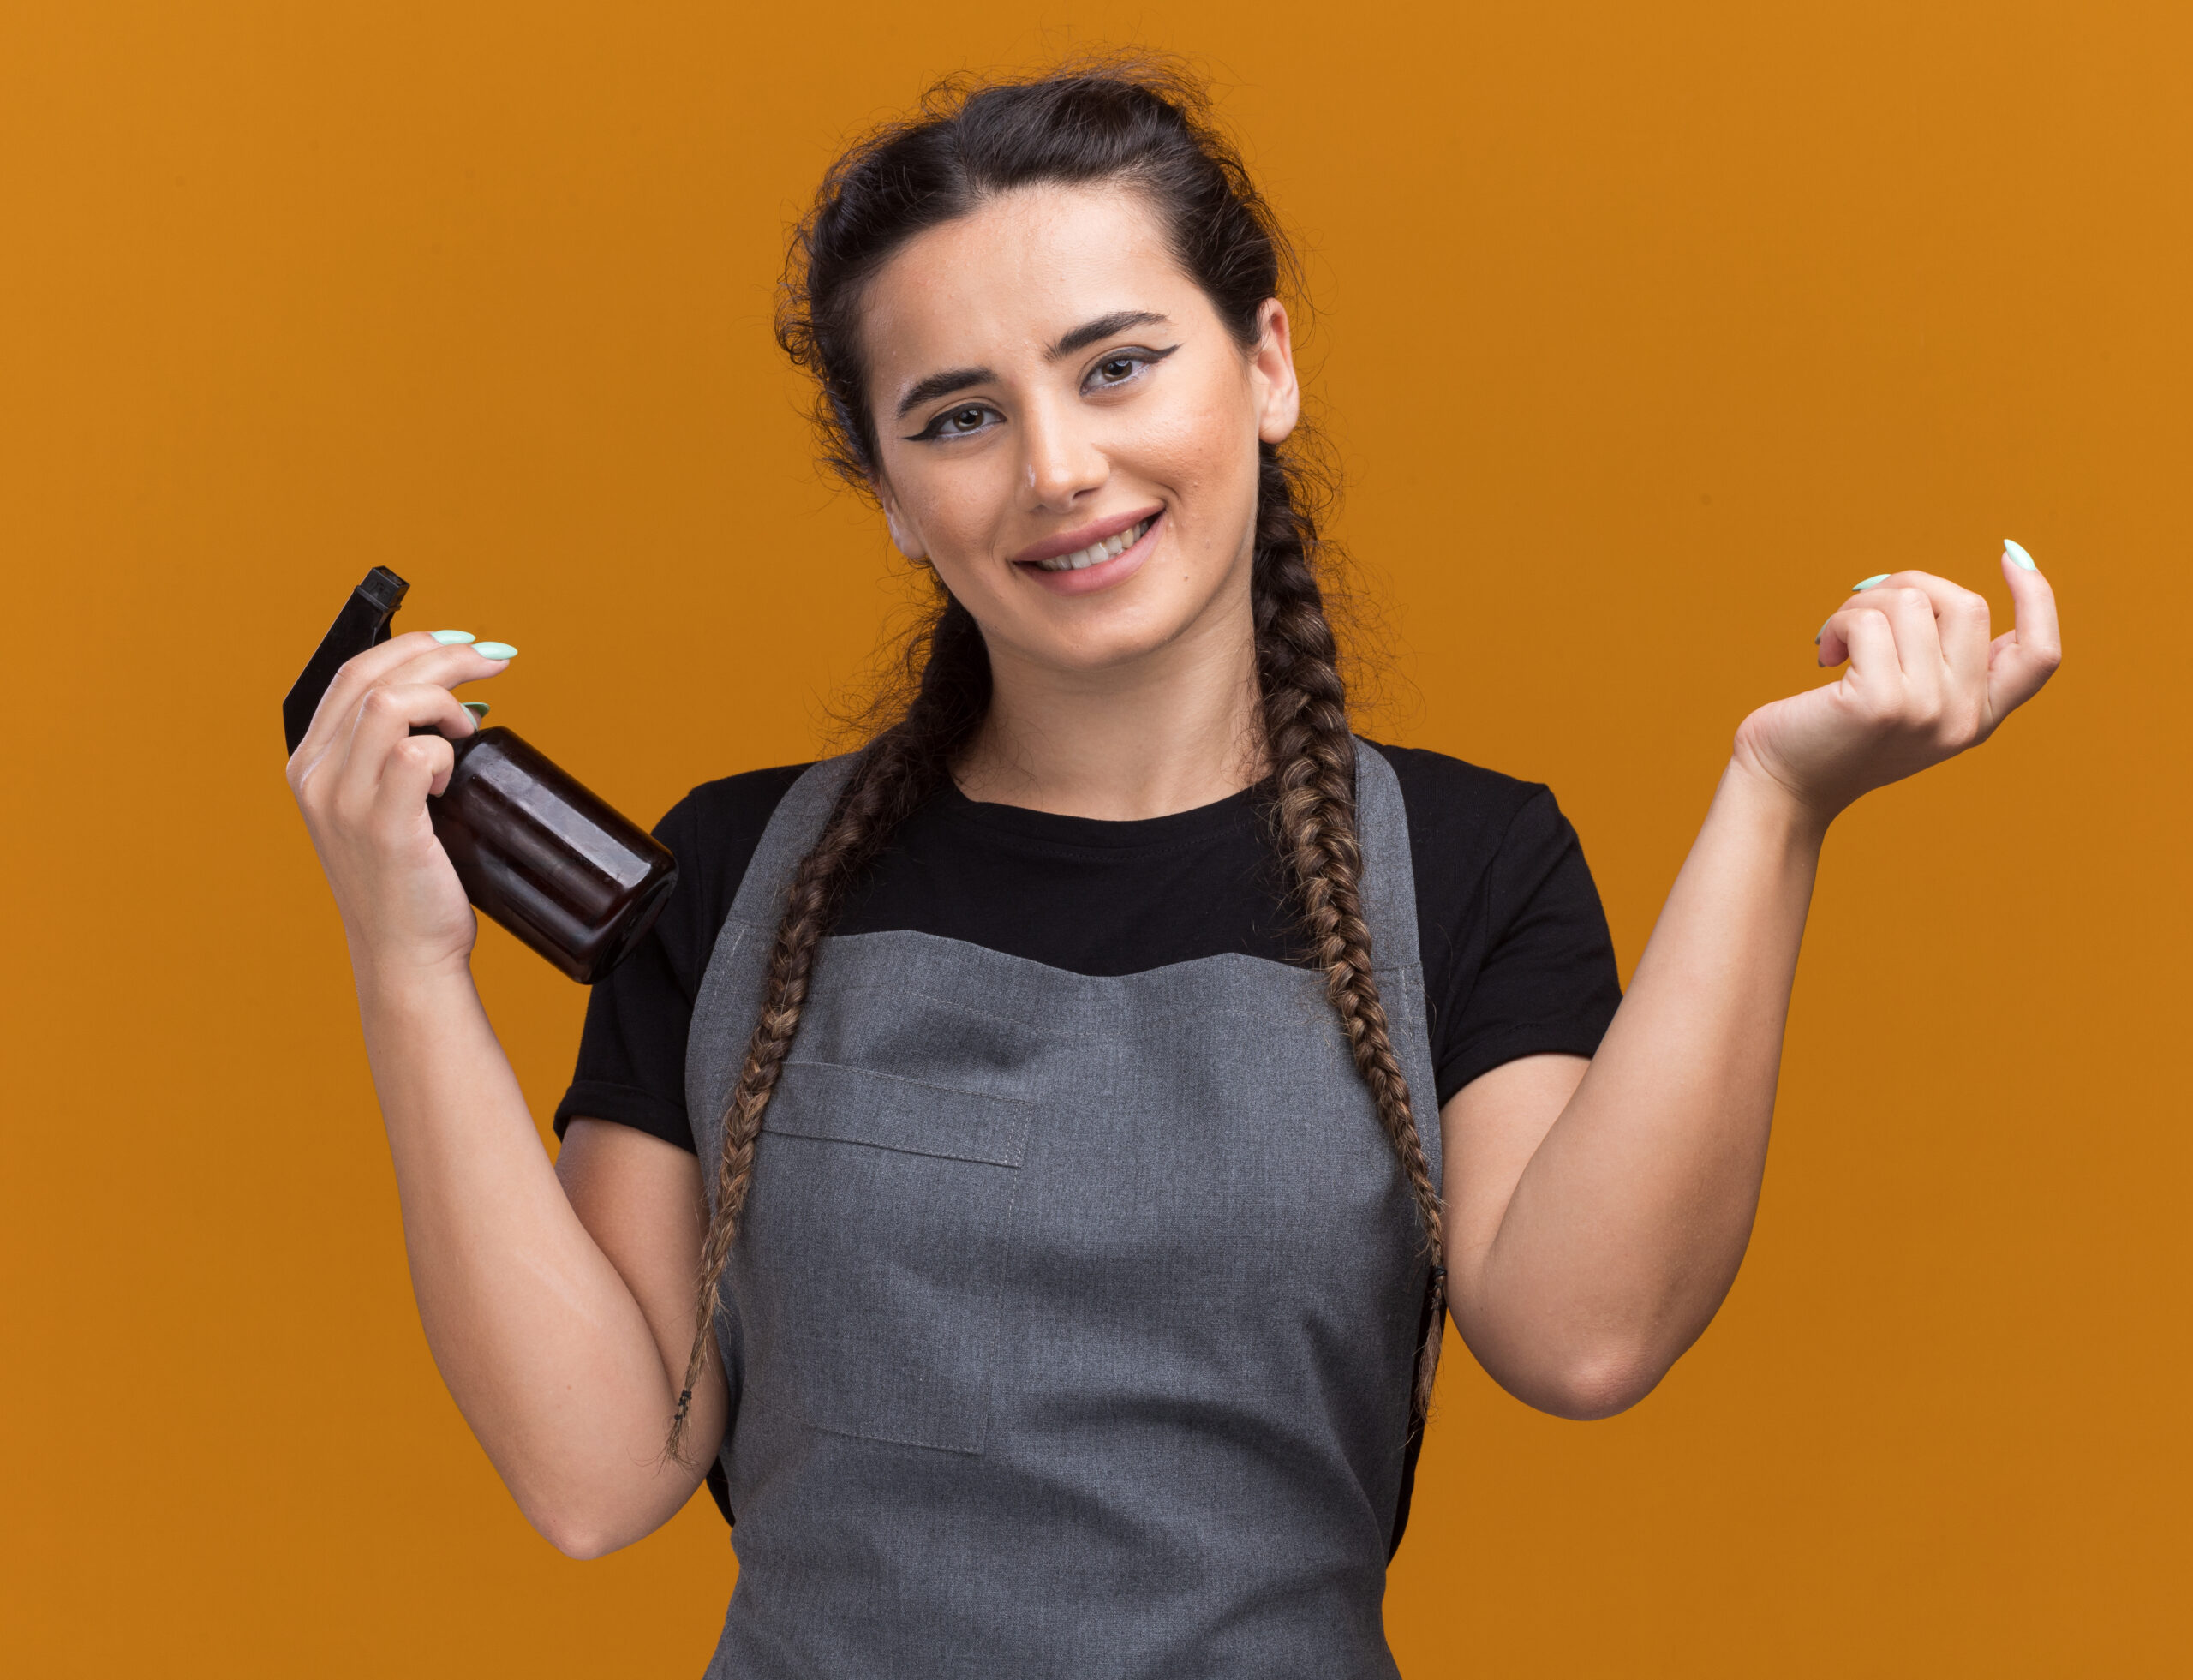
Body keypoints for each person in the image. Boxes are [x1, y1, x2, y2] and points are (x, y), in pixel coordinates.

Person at [285, 63, 2062, 1679]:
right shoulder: (742, 875)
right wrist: (406, 964)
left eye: (1116, 364)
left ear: (1265, 365)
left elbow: (1580, 1337)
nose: (1060, 470)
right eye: (957, 416)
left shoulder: (1462, 863)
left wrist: (1773, 802)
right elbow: (597, 1476)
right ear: (892, 491)